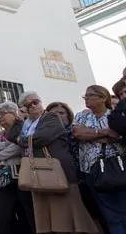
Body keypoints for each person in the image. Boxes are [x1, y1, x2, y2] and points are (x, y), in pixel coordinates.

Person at [9, 91, 97, 233]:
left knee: (67, 214)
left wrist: (22, 140)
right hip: (38, 173)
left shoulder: (51, 117)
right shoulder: (26, 124)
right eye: (28, 105)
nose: (33, 106)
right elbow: (12, 136)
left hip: (58, 171)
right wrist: (19, 119)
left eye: (35, 102)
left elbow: (41, 137)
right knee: (46, 216)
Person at [72, 85, 126, 234]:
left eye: (90, 95)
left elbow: (117, 135)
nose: (86, 98)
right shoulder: (81, 116)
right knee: (110, 215)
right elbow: (78, 133)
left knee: (123, 209)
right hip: (91, 170)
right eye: (85, 96)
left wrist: (91, 135)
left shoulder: (115, 115)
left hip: (118, 168)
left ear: (103, 97)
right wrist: (103, 133)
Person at [0, 102, 34, 234]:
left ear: (14, 113)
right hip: (5, 178)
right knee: (3, 217)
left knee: (27, 213)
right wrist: (4, 145)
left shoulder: (23, 127)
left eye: (3, 113)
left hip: (22, 175)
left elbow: (18, 146)